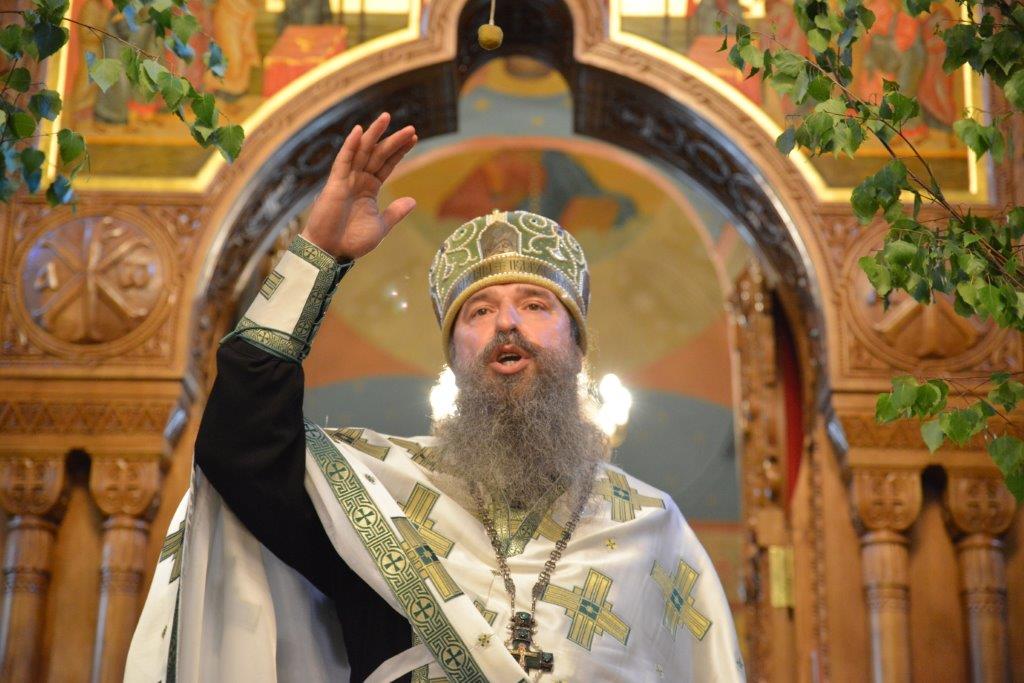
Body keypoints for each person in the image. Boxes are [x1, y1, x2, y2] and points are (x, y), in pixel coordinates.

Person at [127, 112, 744, 682]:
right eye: (480, 311)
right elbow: (240, 446)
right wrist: (318, 254)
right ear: (454, 358)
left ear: (579, 347)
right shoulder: (380, 497)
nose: (507, 323)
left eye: (534, 305)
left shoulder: (649, 528)